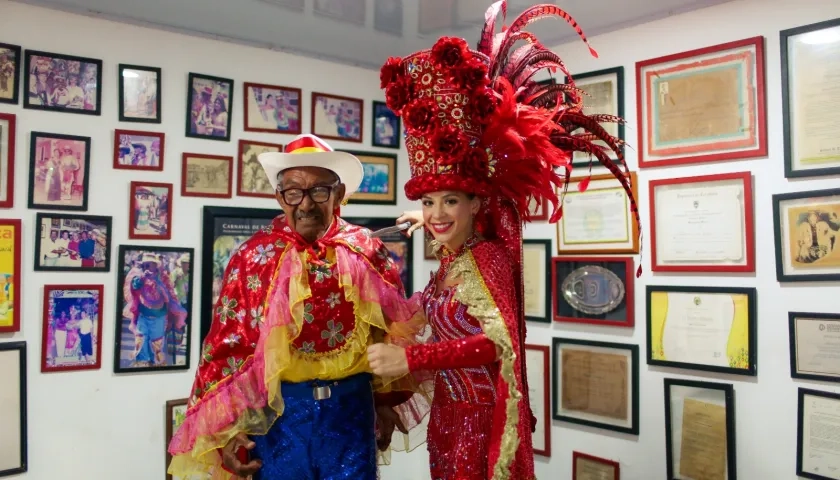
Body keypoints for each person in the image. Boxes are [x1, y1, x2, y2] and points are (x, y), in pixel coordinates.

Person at [366, 1, 643, 479]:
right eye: (428, 202)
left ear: (477, 204)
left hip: (480, 422)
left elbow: (495, 345)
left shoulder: (487, 257)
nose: (436, 213)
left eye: (450, 201)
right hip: (448, 422)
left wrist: (409, 357)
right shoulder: (452, 261)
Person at [167, 134, 431, 480]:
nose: (306, 204)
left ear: (338, 195)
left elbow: (390, 332)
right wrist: (227, 432)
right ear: (280, 197)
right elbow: (226, 350)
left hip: (351, 413)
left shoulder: (366, 250)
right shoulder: (252, 257)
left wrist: (383, 404)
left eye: (319, 191)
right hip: (279, 418)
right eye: (294, 192)